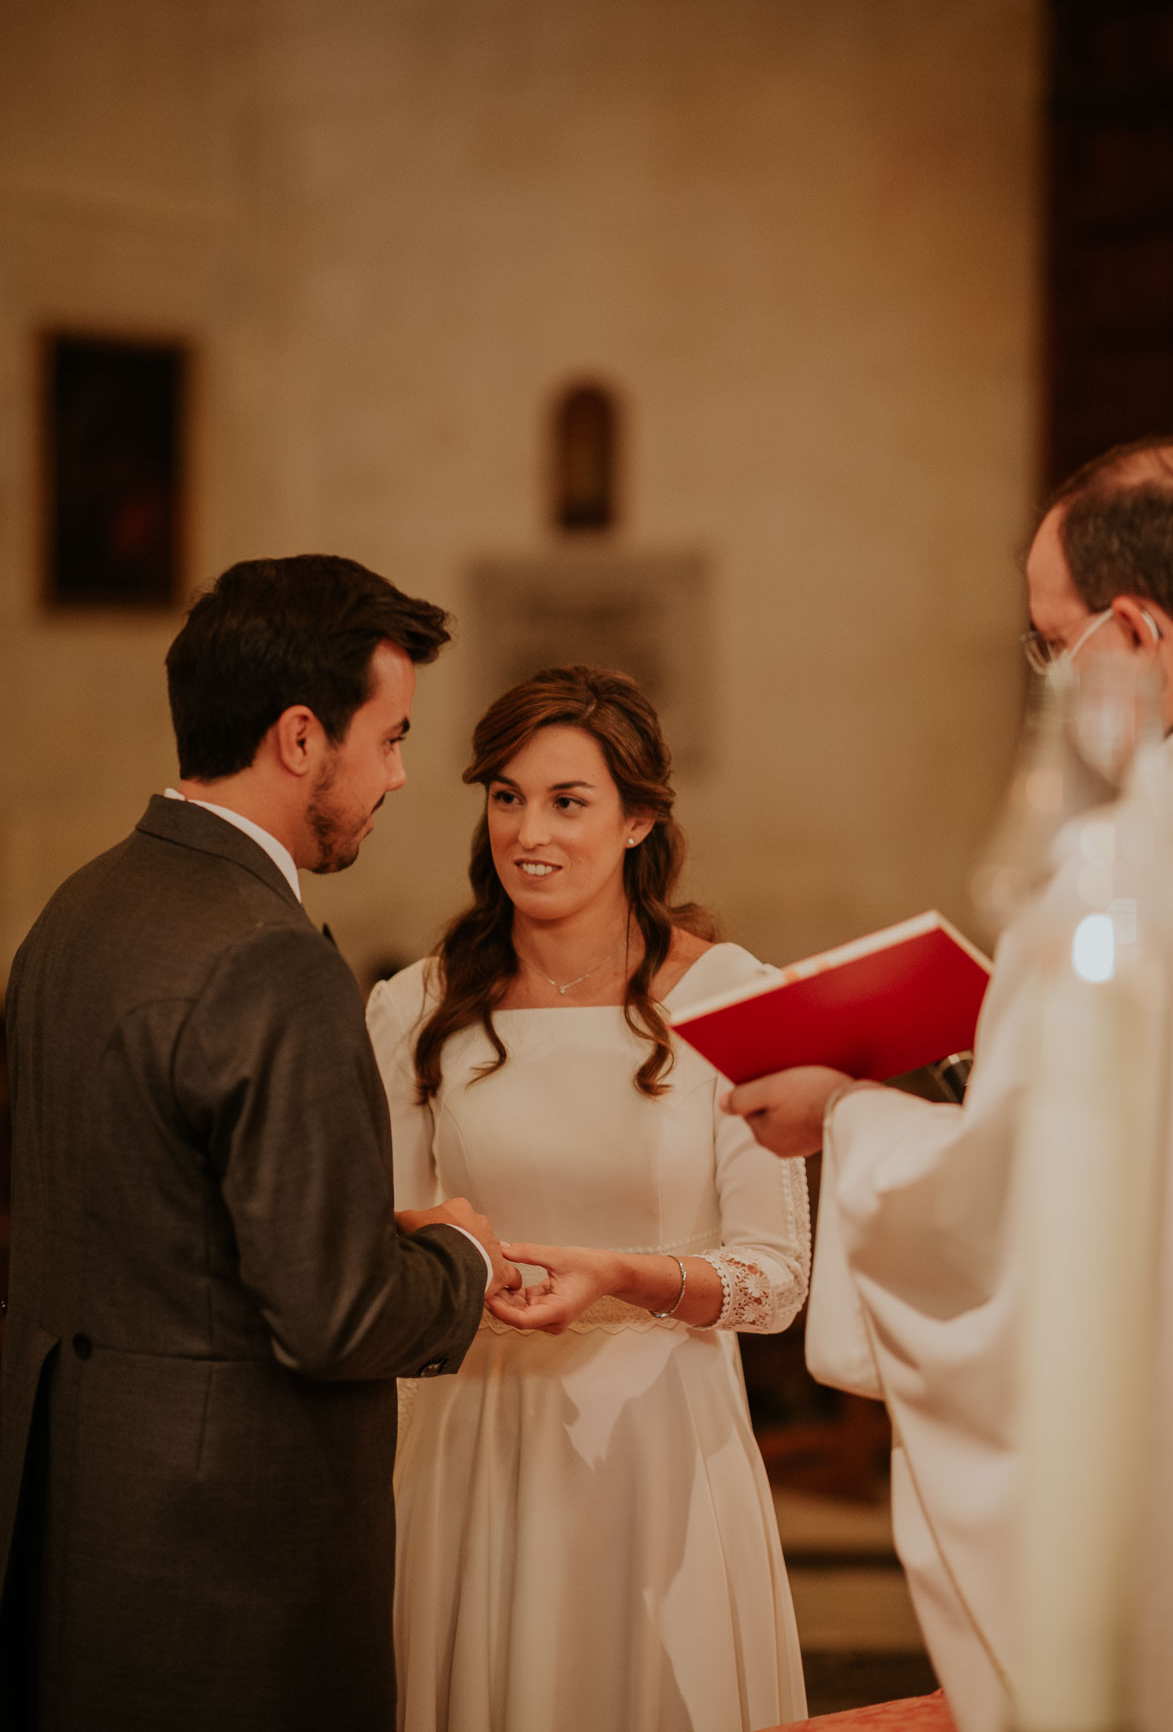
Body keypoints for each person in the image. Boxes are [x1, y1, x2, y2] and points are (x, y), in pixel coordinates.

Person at [0, 555, 519, 1732]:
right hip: (229, 1555)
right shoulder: (268, 954)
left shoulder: (76, 911)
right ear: (299, 737)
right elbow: (334, 1317)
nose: (395, 774)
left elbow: (149, 1211)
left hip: (78, 1524)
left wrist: (366, 1227)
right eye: (388, 737)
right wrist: (461, 1262)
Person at [722, 438, 1173, 1732]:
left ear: (1134, 628)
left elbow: (1010, 1216)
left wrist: (849, 1116)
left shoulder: (1113, 869)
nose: (1047, 679)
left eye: (1052, 641)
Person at [366, 665, 811, 1732]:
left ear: (638, 818)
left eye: (569, 800)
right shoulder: (415, 1006)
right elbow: (373, 1233)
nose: (531, 831)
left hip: (657, 1438)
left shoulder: (733, 996)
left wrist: (621, 1272)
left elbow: (778, 1280)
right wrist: (427, 1238)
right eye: (507, 795)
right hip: (471, 1429)